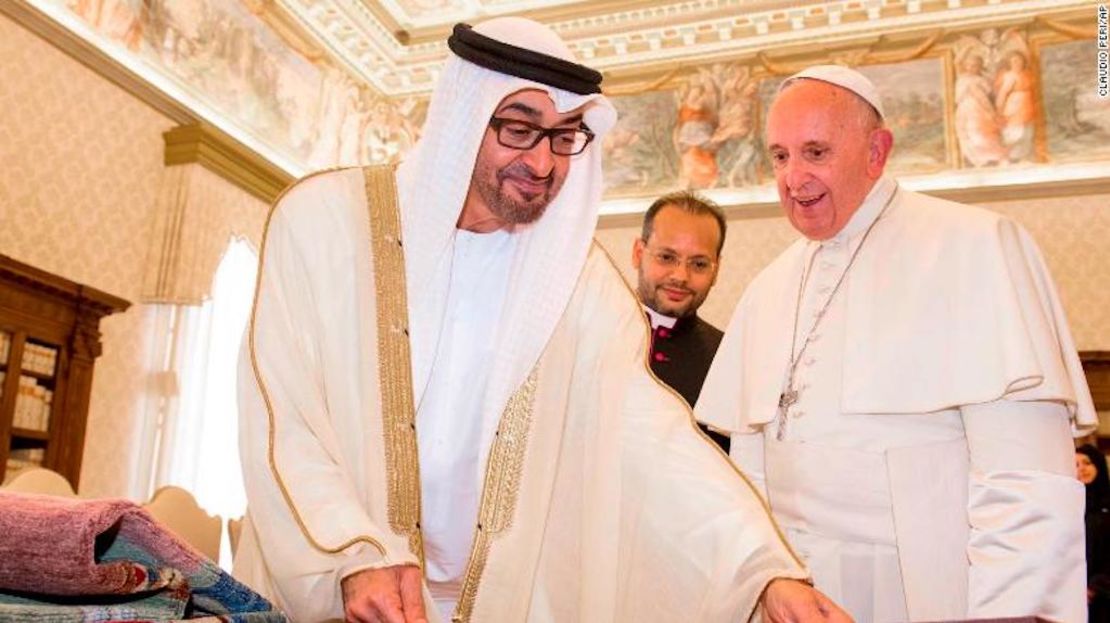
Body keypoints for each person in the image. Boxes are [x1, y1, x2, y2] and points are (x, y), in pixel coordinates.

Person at [234, 18, 848, 623]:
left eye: (563, 137)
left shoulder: (575, 282)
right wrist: (352, 554)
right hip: (350, 590)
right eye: (520, 129)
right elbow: (283, 415)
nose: (545, 162)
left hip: (502, 601)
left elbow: (650, 441)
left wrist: (762, 570)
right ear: (463, 120)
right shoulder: (324, 225)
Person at [697, 64, 1096, 622]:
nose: (793, 178)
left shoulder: (973, 247)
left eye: (815, 151)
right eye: (780, 156)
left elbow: (1025, 473)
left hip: (928, 591)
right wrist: (767, 577)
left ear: (876, 152)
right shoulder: (769, 286)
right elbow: (752, 468)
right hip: (793, 596)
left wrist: (1010, 614)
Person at [633, 190, 729, 451]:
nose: (681, 276)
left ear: (716, 269)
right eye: (666, 257)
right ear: (638, 253)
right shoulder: (591, 334)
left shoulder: (729, 356)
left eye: (698, 264)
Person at [1077, 444, 1110, 622]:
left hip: (1102, 597)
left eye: (1087, 463)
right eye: (1075, 465)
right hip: (1071, 597)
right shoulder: (1068, 508)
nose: (1081, 469)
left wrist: (1095, 587)